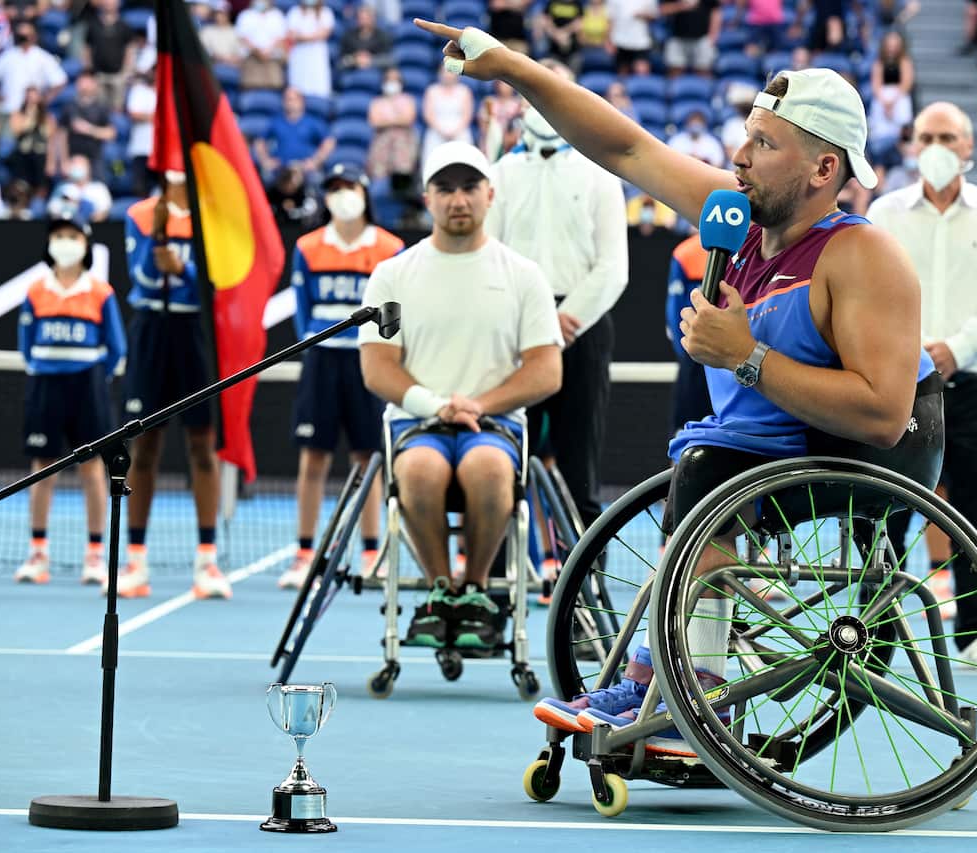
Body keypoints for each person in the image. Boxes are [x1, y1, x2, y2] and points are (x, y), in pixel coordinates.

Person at [410, 20, 943, 750]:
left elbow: (883, 415)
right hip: (775, 440)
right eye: (746, 137)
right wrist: (512, 68)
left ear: (823, 170)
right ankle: (660, 682)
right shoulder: (740, 219)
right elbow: (627, 147)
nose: (738, 156)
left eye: (763, 144)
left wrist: (745, 356)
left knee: (713, 473)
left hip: (877, 449)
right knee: (708, 468)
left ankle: (690, 698)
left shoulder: (866, 256)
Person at [358, 140, 563, 650]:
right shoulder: (393, 274)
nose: (458, 199)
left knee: (489, 471)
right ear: (427, 198)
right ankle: (440, 591)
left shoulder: (523, 275)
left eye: (469, 187)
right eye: (444, 189)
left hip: (493, 428)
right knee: (420, 472)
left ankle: (475, 593)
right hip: (418, 425)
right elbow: (377, 366)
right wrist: (435, 405)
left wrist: (478, 405)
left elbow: (546, 370)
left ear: (490, 194)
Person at [867, 101, 977, 668]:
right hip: (897, 388)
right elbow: (868, 295)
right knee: (883, 513)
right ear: (911, 143)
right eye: (927, 135)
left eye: (948, 137)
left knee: (972, 511)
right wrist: (908, 353)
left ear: (967, 147)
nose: (936, 145)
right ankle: (871, 633)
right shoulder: (883, 213)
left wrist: (954, 351)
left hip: (974, 382)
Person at [484, 106, 628, 530]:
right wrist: (531, 318)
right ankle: (497, 581)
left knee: (578, 465)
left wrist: (565, 318)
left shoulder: (599, 175)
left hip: (580, 326)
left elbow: (613, 266)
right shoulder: (499, 176)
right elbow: (489, 252)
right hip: (515, 327)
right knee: (504, 457)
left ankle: (583, 583)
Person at [277, 164, 406, 590]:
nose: (342, 195)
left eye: (349, 186)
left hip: (369, 361)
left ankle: (372, 554)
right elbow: (302, 307)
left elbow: (398, 309)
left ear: (365, 193)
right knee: (312, 457)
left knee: (369, 459)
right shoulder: (309, 247)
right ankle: (304, 554)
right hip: (322, 362)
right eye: (333, 189)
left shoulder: (390, 247)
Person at [117, 171, 231, 601]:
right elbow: (143, 278)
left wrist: (182, 267)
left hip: (195, 334)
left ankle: (207, 561)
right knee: (142, 446)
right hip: (150, 331)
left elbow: (217, 282)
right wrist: (158, 238)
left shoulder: (211, 217)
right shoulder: (141, 215)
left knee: (203, 445)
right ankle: (136, 560)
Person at [14, 216, 126, 585]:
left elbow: (116, 346)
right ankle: (38, 552)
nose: (65, 242)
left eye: (72, 236)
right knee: (42, 467)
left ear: (85, 243)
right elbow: (26, 343)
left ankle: (94, 555)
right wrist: (43, 365)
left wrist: (94, 374)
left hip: (87, 386)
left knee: (92, 467)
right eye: (58, 236)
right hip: (46, 386)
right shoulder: (35, 291)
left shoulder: (100, 292)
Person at [665, 229, 712, 435]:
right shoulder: (685, 253)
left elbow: (673, 308)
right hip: (697, 356)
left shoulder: (746, 247)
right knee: (686, 428)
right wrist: (686, 352)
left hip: (717, 355)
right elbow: (674, 309)